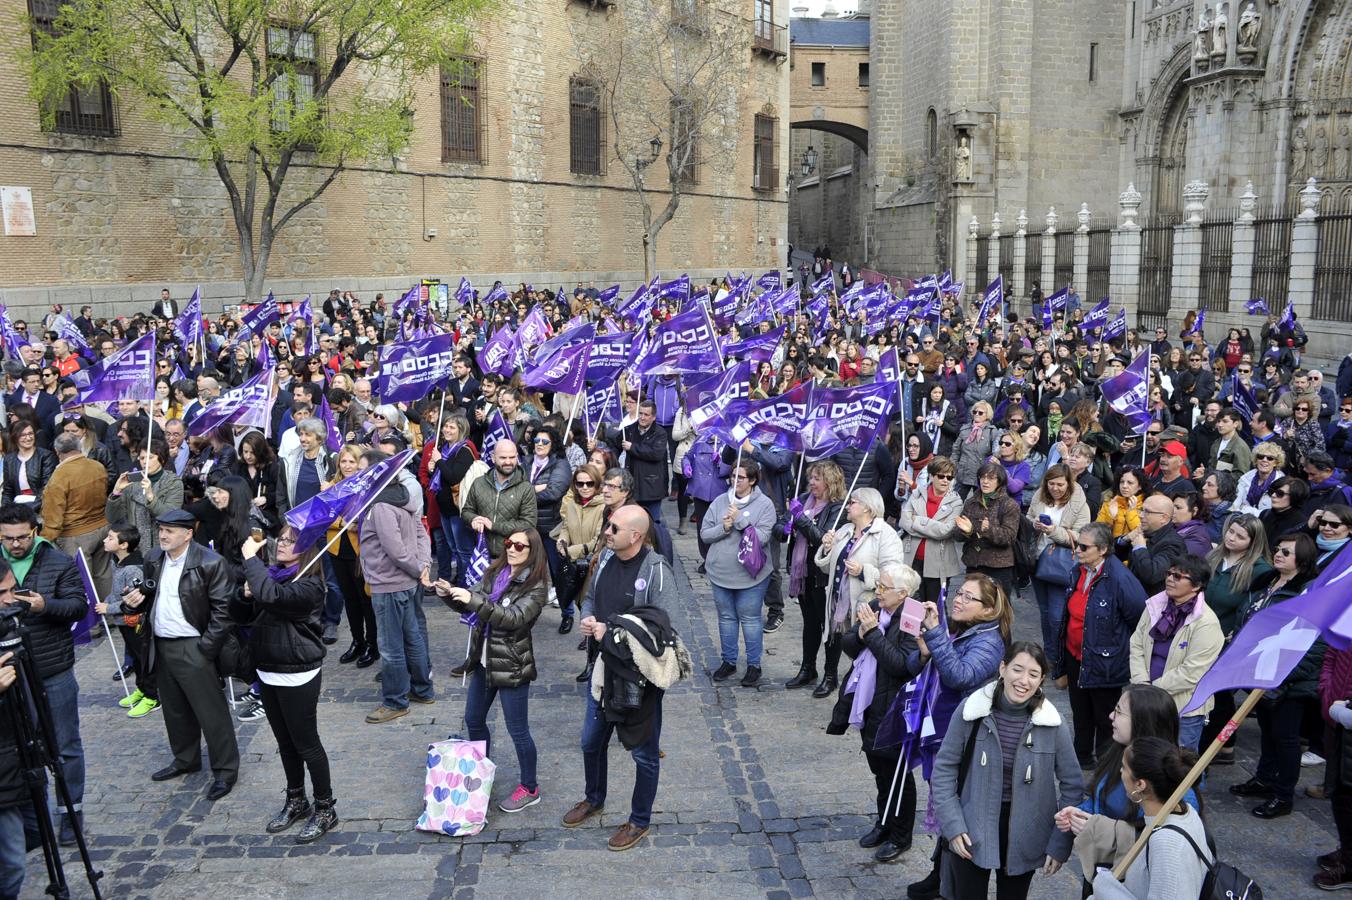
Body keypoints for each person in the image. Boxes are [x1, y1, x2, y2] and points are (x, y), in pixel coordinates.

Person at [565, 505, 679, 852]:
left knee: (643, 755)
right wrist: (588, 621)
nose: (607, 531)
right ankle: (594, 798)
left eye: (614, 528)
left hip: (638, 679)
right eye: (608, 525)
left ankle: (639, 820)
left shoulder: (656, 570)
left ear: (636, 536)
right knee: (590, 742)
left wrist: (610, 630)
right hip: (603, 671)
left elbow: (663, 630)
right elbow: (591, 601)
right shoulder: (606, 560)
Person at [930, 642, 1082, 900]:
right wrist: (953, 826)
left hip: (1026, 834)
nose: (1023, 680)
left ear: (1041, 680)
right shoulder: (971, 711)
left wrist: (1059, 844)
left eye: (1033, 674)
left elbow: (1073, 786)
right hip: (972, 827)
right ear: (1003, 668)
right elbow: (944, 770)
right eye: (1017, 670)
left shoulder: (1052, 724)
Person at [903, 572, 1012, 900]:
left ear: (988, 610)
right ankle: (940, 875)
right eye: (958, 594)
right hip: (946, 730)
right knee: (946, 802)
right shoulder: (962, 630)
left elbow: (959, 677)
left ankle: (948, 882)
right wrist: (925, 649)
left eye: (968, 597)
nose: (958, 601)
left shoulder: (991, 641)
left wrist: (937, 636)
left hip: (971, 738)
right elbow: (916, 665)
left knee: (955, 804)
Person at [120, 508, 241, 802]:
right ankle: (185, 759)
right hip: (161, 644)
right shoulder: (153, 559)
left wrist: (206, 649)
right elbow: (145, 603)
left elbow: (224, 613)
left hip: (195, 645)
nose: (162, 535)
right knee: (175, 709)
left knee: (211, 713)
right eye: (161, 529)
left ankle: (225, 770)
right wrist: (131, 604)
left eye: (170, 530)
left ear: (188, 534)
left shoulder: (211, 562)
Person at [430, 529, 548, 814]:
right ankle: (479, 772)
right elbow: (474, 603)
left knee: (518, 731)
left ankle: (530, 788)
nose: (512, 548)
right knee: (474, 719)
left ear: (532, 551)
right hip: (484, 662)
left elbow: (512, 618)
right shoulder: (497, 572)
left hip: (511, 665)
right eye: (509, 542)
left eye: (520, 545)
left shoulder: (536, 586)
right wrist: (449, 594)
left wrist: (472, 600)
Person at [232, 526, 336, 843]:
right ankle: (296, 799)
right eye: (282, 538)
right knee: (285, 742)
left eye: (291, 541)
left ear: (306, 550)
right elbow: (242, 612)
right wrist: (244, 594)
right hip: (268, 668)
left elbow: (272, 597)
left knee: (306, 742)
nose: (282, 544)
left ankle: (325, 808)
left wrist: (251, 561)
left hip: (297, 672)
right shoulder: (273, 577)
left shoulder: (309, 586)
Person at [1057, 685, 1200, 897]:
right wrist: (1077, 812)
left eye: (1120, 712)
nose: (1111, 716)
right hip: (1105, 868)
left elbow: (1157, 844)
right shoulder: (1120, 753)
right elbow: (1098, 797)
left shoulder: (1175, 789)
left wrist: (1099, 827)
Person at [0, 505, 89, 844]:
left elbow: (78, 606)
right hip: (9, 671)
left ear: (34, 531)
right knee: (21, 747)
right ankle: (30, 818)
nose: (15, 544)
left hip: (53, 668)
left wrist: (45, 606)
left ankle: (70, 812)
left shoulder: (58, 562)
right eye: (7, 539)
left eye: (22, 537)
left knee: (65, 745)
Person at [1231, 532, 1324, 818]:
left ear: (1303, 558)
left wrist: (1285, 673)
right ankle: (1264, 778)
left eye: (1287, 551)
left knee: (1285, 738)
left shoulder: (1308, 592)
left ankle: (1283, 795)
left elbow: (1315, 645)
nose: (1279, 554)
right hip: (1263, 673)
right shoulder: (1269, 582)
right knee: (1268, 732)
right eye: (1278, 549)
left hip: (1289, 680)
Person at [838, 563, 923, 862]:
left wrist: (872, 634)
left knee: (897, 773)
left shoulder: (914, 616)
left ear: (903, 593)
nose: (877, 591)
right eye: (878, 585)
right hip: (870, 700)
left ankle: (901, 835)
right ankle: (884, 823)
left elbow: (901, 665)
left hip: (896, 707)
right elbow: (848, 645)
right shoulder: (877, 605)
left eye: (884, 587)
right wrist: (862, 634)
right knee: (880, 771)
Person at [1059, 523, 1147, 769]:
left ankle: (1107, 769)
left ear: (1103, 549)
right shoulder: (1079, 571)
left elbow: (1139, 618)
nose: (1077, 550)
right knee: (1081, 712)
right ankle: (1082, 758)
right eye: (1077, 543)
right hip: (1076, 656)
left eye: (1084, 547)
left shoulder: (1120, 579)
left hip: (1105, 662)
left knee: (1106, 718)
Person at [359, 449, 435, 723]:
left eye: (364, 469)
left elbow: (397, 550)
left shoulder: (380, 505)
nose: (359, 474)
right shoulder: (405, 497)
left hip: (390, 584)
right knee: (412, 638)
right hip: (406, 582)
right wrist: (423, 567)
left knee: (391, 647)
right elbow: (420, 535)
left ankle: (395, 700)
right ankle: (422, 689)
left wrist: (419, 568)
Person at [1088, 738, 1212, 900]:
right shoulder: (1183, 812)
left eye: (1124, 768)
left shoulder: (1167, 842)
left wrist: (1105, 887)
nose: (1120, 772)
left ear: (1140, 784)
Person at [814, 487, 905, 698]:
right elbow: (828, 567)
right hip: (838, 597)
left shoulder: (886, 536)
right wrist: (827, 548)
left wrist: (864, 571)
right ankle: (830, 677)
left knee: (861, 643)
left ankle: (862, 684)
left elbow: (893, 573)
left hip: (866, 602)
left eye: (852, 502)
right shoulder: (845, 530)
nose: (848, 506)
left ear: (867, 508)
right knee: (835, 637)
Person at [1128, 555, 1223, 750]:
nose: (1170, 579)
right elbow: (1137, 643)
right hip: (1146, 700)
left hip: (1183, 709)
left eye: (1178, 576)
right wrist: (1141, 683)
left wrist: (1152, 691)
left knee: (1179, 767)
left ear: (1196, 586)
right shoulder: (1156, 605)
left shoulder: (1207, 622)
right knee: (1144, 759)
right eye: (1169, 573)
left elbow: (1192, 672)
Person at [1199, 514, 1272, 760]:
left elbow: (1257, 610)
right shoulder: (1214, 557)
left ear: (1253, 541)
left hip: (1229, 640)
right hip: (1202, 634)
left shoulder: (1259, 570)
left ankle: (1225, 745)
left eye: (1240, 536)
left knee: (1220, 695)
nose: (1231, 538)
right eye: (1230, 532)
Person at [701, 459, 776, 687]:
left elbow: (762, 538)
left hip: (750, 576)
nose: (734, 481)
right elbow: (705, 534)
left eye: (740, 478)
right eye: (732, 476)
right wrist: (724, 527)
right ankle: (729, 661)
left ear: (752, 481)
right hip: (720, 572)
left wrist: (740, 520)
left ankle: (754, 665)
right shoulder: (720, 500)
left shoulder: (765, 505)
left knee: (750, 618)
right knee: (726, 618)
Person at [785, 461, 847, 691]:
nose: (811, 482)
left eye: (817, 479)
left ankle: (831, 676)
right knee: (810, 623)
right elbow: (787, 525)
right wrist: (786, 525)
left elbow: (822, 537)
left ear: (830, 482)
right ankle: (807, 668)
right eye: (810, 478)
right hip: (803, 573)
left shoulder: (837, 508)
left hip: (824, 575)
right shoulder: (803, 498)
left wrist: (799, 519)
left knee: (828, 626)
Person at [1027, 463, 1092, 677]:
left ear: (1069, 484)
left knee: (1057, 615)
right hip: (1038, 559)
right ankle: (1049, 655)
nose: (1055, 488)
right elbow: (1028, 517)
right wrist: (1034, 524)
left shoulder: (1078, 501)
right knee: (1044, 613)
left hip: (1060, 565)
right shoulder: (1040, 494)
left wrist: (1055, 531)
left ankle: (1059, 659)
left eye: (1060, 485)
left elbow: (1080, 535)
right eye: (1051, 484)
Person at [40, 432, 111, 598]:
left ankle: (88, 622)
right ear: (79, 447)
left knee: (81, 581)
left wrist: (44, 540)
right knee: (103, 576)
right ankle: (107, 618)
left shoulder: (59, 477)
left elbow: (53, 519)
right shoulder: (97, 466)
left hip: (75, 535)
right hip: (103, 527)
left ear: (58, 453)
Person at [898, 455, 963, 606]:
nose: (945, 480)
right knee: (910, 606)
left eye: (950, 477)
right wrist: (932, 527)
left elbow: (945, 532)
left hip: (939, 564)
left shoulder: (956, 502)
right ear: (932, 476)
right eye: (941, 476)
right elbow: (904, 521)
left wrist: (917, 520)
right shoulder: (917, 493)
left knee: (934, 607)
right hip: (912, 559)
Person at [461, 439, 538, 559]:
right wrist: (474, 519)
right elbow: (466, 511)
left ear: (517, 457)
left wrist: (494, 526)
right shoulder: (479, 483)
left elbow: (528, 523)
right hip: (482, 555)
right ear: (493, 458)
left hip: (513, 556)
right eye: (503, 458)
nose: (508, 462)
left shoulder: (525, 488)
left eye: (512, 457)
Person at [552, 463, 605, 634]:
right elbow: (566, 528)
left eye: (589, 483)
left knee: (592, 603)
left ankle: (590, 638)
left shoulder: (603, 507)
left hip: (592, 565)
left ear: (597, 484)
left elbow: (597, 541)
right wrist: (562, 541)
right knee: (579, 600)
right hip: (576, 565)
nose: (584, 487)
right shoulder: (572, 505)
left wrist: (571, 551)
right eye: (579, 483)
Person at [955, 463, 1023, 597]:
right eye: (982, 477)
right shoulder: (971, 502)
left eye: (991, 478)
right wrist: (967, 531)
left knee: (997, 609)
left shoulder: (1009, 505)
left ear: (999, 481)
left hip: (998, 567)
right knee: (972, 606)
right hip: (973, 563)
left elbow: (1009, 537)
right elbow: (957, 536)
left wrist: (988, 530)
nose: (985, 481)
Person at [1125, 494, 1187, 597]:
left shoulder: (1173, 544)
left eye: (1147, 512)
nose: (1140, 515)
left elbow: (1152, 575)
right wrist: (1124, 539)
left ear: (1164, 518)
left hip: (1149, 603)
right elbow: (1113, 553)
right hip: (1131, 594)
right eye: (1141, 509)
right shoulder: (1146, 531)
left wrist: (1140, 548)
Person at [1, 419, 56, 508]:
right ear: (14, 437)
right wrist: (5, 510)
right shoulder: (9, 459)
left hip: (40, 506)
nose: (28, 438)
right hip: (18, 506)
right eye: (23, 435)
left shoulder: (45, 456)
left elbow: (47, 488)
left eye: (30, 434)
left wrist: (30, 506)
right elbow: (8, 490)